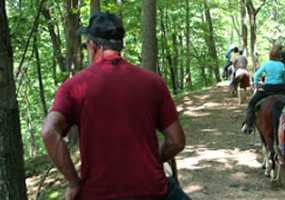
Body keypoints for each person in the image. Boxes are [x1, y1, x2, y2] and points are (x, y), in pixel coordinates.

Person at [41, 12, 190, 200]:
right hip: (151, 191)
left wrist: (73, 182)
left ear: (93, 46)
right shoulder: (154, 82)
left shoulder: (74, 86)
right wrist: (151, 161)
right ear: (120, 44)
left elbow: (48, 132)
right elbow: (176, 141)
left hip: (97, 194)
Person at [241, 45, 285, 134]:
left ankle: (249, 124)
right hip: (281, 88)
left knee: (252, 103)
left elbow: (256, 76)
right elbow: (283, 79)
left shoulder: (266, 64)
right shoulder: (282, 65)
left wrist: (257, 86)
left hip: (268, 88)